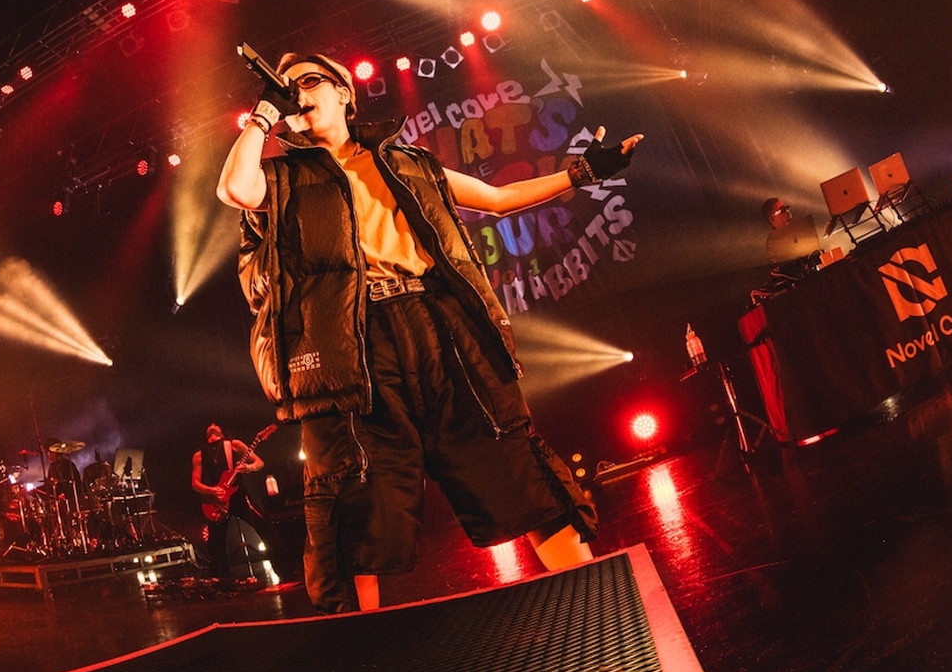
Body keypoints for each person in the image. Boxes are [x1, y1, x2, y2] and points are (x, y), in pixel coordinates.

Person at [217, 50, 642, 612]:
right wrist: (263, 116)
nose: (296, 92)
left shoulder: (408, 162)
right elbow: (236, 190)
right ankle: (361, 645)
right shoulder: (283, 177)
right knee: (357, 492)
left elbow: (496, 199)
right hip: (352, 343)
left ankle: (597, 606)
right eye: (285, 86)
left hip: (437, 323)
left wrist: (583, 173)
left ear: (345, 93)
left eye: (310, 81)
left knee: (507, 459)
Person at [190, 423, 276, 584]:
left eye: (216, 424)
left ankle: (283, 563)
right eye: (209, 424)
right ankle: (222, 578)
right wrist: (211, 490)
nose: (212, 425)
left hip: (238, 496)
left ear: (222, 432)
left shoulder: (234, 444)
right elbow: (195, 484)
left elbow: (259, 462)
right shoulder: (199, 455)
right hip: (216, 500)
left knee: (262, 525)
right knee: (216, 541)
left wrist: (249, 467)